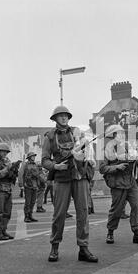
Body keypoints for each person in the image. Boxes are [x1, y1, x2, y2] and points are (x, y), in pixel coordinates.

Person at [42, 105, 98, 263]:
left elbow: (88, 152)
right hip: (62, 178)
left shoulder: (77, 133)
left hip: (79, 176)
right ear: (55, 119)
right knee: (59, 214)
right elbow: (44, 160)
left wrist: (84, 154)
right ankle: (54, 247)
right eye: (60, 116)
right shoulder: (50, 137)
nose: (64, 118)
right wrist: (55, 166)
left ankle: (83, 248)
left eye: (66, 115)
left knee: (83, 213)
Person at [99, 128, 138, 245]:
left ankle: (137, 233)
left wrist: (137, 162)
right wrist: (116, 167)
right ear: (113, 136)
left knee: (137, 207)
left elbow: (135, 163)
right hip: (117, 184)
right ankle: (110, 232)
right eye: (118, 134)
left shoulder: (128, 148)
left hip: (131, 182)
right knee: (116, 210)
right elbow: (102, 169)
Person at [19, 152, 40, 223]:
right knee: (28, 202)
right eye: (32, 156)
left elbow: (38, 175)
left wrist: (38, 184)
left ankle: (30, 215)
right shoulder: (25, 165)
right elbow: (21, 174)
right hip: (28, 186)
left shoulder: (35, 165)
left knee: (33, 202)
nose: (34, 157)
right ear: (29, 157)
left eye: (34, 156)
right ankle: (26, 216)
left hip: (34, 186)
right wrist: (21, 185)